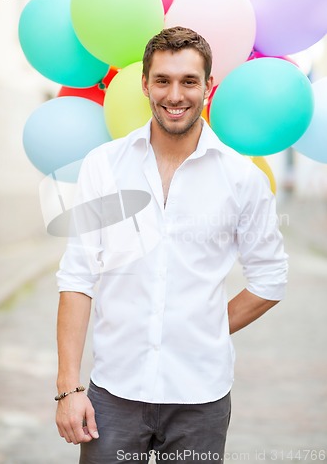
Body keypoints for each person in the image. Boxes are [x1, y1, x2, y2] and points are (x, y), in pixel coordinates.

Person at [55, 26, 288, 463]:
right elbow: (77, 276)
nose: (174, 95)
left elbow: (270, 279)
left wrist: (203, 326)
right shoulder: (104, 166)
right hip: (114, 392)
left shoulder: (242, 179)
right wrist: (68, 388)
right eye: (162, 80)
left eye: (188, 81)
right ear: (144, 84)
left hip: (200, 396)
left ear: (208, 87)